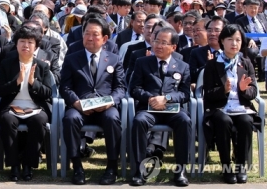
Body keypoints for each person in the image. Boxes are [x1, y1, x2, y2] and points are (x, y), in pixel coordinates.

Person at [60, 17, 126, 185]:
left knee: (113, 119)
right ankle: (77, 167)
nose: (89, 38)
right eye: (86, 33)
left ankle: (111, 168)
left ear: (104, 39)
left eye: (94, 34)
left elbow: (120, 88)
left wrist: (110, 101)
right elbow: (65, 87)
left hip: (105, 106)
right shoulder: (72, 58)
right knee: (70, 118)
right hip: (81, 105)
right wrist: (76, 103)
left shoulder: (114, 59)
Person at [129, 27, 191, 187]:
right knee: (139, 121)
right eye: (156, 41)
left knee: (185, 121)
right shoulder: (142, 62)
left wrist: (167, 98)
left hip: (172, 109)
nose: (158, 45)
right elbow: (134, 89)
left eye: (164, 43)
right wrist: (150, 98)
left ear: (173, 47)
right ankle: (139, 170)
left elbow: (185, 94)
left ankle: (181, 170)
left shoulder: (183, 66)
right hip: (149, 108)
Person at [203, 24, 259, 184]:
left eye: (238, 40)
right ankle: (226, 166)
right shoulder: (213, 64)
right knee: (223, 121)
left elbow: (253, 91)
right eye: (230, 40)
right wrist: (223, 90)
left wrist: (243, 90)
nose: (234, 43)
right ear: (222, 41)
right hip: (219, 108)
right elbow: (208, 94)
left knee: (246, 122)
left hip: (241, 107)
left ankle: (241, 166)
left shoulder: (246, 62)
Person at [0, 26, 52, 182]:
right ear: (16, 44)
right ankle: (14, 166)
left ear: (36, 46)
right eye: (22, 41)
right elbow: (0, 91)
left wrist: (33, 83)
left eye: (30, 42)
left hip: (35, 108)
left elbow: (48, 92)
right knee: (7, 120)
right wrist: (17, 82)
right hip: (11, 107)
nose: (26, 45)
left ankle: (28, 165)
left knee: (39, 121)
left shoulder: (42, 66)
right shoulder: (7, 64)